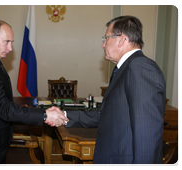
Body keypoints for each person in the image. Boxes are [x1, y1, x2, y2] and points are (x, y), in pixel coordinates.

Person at [48, 15, 166, 166]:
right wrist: (64, 115)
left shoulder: (140, 67)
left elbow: (147, 134)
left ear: (121, 39)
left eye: (106, 38)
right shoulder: (124, 68)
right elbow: (106, 115)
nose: (103, 45)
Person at [0, 20, 68, 166]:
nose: (10, 48)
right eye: (6, 41)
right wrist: (44, 115)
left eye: (12, 42)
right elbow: (4, 108)